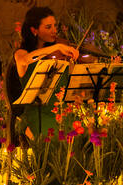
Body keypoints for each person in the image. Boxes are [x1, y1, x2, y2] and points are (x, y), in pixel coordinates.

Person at [7, 7, 78, 139]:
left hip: (60, 111)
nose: (54, 31)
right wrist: (56, 47)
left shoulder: (56, 56)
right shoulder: (22, 53)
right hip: (36, 113)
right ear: (34, 30)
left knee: (83, 135)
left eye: (55, 26)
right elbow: (25, 60)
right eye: (48, 27)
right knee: (54, 138)